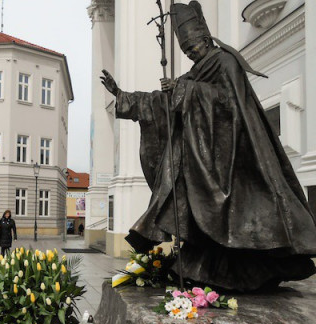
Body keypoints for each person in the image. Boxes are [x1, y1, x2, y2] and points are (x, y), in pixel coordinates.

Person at [99, 1, 316, 291]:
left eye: (193, 49)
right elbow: (161, 103)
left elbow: (231, 104)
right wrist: (122, 95)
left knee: (231, 215)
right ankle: (205, 267)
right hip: (200, 162)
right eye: (187, 51)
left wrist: (186, 91)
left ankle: (253, 267)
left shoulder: (225, 63)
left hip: (234, 162)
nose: (191, 55)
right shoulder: (195, 72)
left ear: (205, 39)